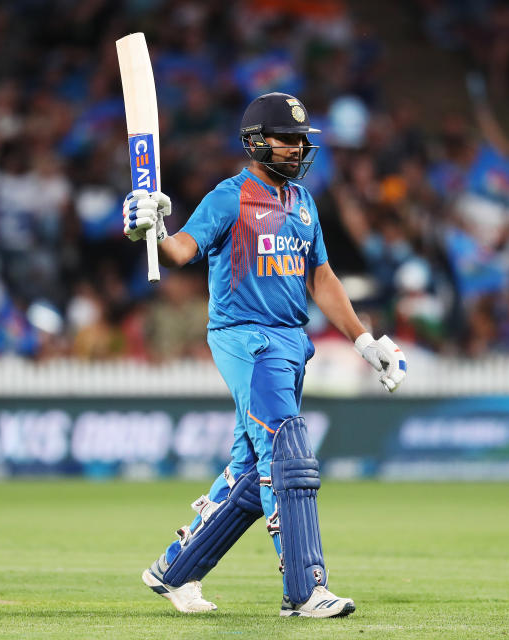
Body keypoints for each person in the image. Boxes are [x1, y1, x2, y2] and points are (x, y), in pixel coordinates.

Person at [122, 92, 407, 618]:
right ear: (256, 142)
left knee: (254, 475)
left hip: (291, 342)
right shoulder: (229, 197)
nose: (298, 148)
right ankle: (304, 589)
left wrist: (365, 341)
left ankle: (174, 570)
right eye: (288, 139)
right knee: (288, 452)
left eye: (302, 140)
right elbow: (182, 249)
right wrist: (153, 225)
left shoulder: (303, 202)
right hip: (245, 338)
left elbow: (320, 278)